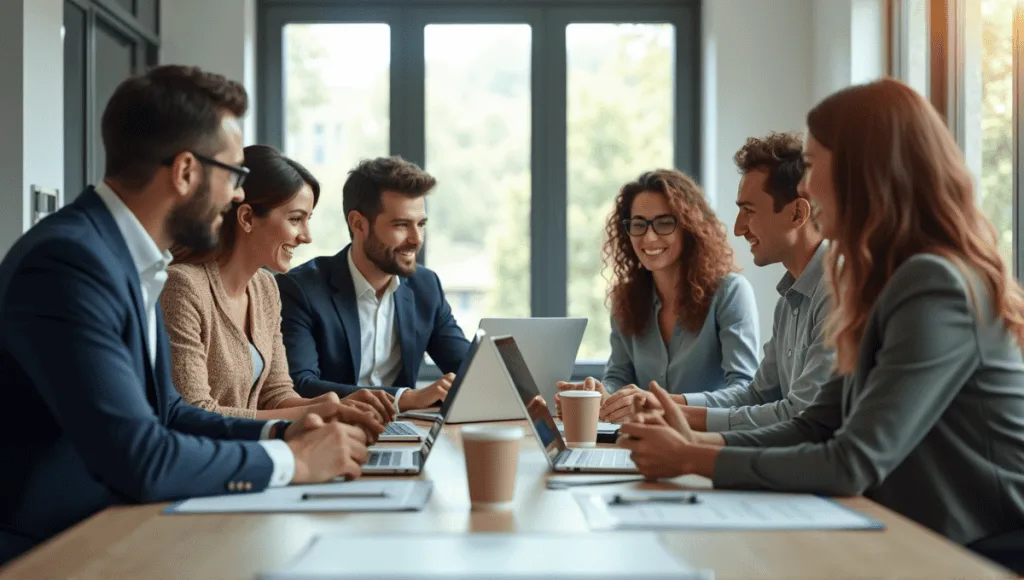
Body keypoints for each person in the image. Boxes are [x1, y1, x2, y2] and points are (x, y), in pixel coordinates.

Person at [618, 78, 1024, 552]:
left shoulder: (933, 283)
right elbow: (814, 425)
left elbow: (852, 462)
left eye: (812, 165)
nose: (805, 185)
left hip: (988, 547)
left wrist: (691, 457)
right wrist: (690, 443)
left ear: (863, 171)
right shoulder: (881, 280)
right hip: (921, 533)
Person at [0, 66, 370, 564]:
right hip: (57, 550)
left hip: (120, 527)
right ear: (186, 172)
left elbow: (170, 413)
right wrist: (292, 461)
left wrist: (283, 431)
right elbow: (141, 455)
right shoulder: (70, 263)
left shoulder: (129, 258)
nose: (240, 194)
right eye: (234, 175)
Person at [160, 144, 395, 427]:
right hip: (205, 463)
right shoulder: (183, 286)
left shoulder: (266, 288)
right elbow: (195, 412)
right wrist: (317, 411)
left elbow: (276, 393)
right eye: (296, 219)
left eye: (307, 220)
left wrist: (338, 405)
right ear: (247, 217)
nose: (305, 236)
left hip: (249, 457)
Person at [622, 133, 835, 432]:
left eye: (748, 211)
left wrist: (675, 417)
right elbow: (757, 395)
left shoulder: (838, 291)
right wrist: (664, 406)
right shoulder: (790, 299)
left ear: (798, 213)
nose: (737, 229)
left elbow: (802, 415)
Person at [557, 169, 760, 422]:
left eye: (664, 223)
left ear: (690, 227)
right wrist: (597, 397)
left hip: (709, 444)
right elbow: (619, 377)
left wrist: (661, 403)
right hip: (642, 441)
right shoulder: (626, 298)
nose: (649, 237)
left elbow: (745, 391)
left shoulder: (731, 292)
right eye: (639, 225)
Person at [277, 156, 470, 412]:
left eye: (421, 224)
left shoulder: (426, 286)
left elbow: (468, 369)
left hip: (405, 432)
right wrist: (404, 398)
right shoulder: (302, 289)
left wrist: (521, 395)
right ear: (358, 224)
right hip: (331, 432)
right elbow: (301, 385)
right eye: (401, 225)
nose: (416, 239)